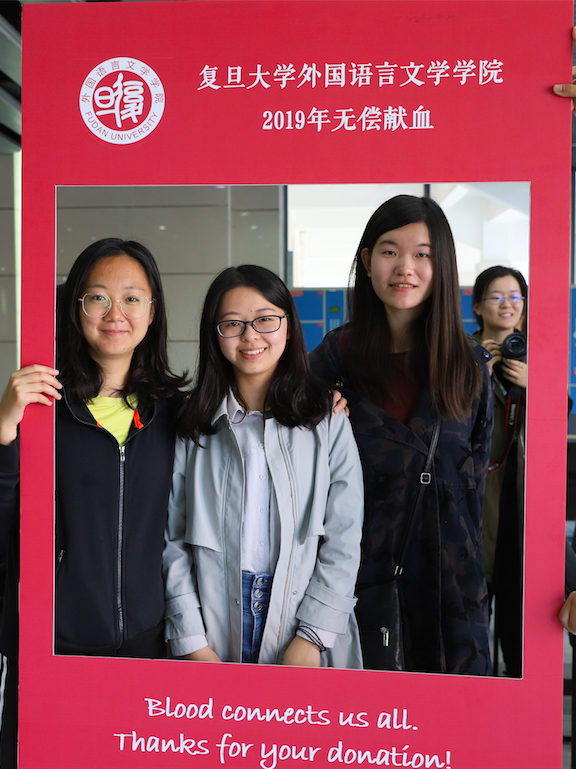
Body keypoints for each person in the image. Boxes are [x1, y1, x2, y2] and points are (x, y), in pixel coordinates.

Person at [0, 238, 188, 765]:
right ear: (74, 307)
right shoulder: (41, 408)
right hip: (54, 646)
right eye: (97, 297)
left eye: (131, 298)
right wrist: (4, 430)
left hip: (151, 646)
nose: (115, 313)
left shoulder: (177, 414)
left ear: (153, 311)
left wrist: (324, 402)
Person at [309, 194, 493, 675]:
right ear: (367, 261)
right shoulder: (333, 361)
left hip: (454, 597)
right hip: (358, 588)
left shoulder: (470, 367)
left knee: (453, 719)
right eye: (390, 251)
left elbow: (478, 486)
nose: (404, 268)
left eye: (422, 254)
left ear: (442, 264)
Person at [163, 264, 364, 668]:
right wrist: (191, 640)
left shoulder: (327, 419)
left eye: (265, 320)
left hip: (304, 620)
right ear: (215, 335)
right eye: (232, 324)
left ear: (288, 327)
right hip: (212, 623)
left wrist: (312, 636)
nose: (250, 336)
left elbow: (344, 537)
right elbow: (171, 538)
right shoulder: (191, 423)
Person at [472, 266, 527, 677]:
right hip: (475, 495)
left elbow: (557, 414)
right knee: (473, 608)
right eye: (496, 296)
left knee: (519, 609)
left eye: (515, 296)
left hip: (521, 496)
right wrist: (477, 372)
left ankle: (518, 688)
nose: (507, 304)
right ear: (477, 306)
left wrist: (536, 384)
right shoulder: (462, 352)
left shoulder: (535, 355)